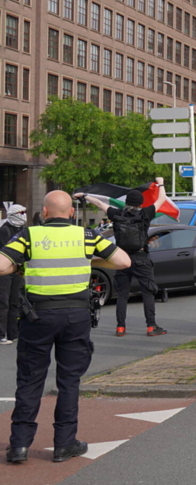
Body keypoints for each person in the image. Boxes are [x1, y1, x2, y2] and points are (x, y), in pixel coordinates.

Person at [2, 191, 131, 464]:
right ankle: (64, 444)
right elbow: (123, 262)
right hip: (76, 317)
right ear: (72, 213)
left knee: (30, 380)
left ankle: (19, 446)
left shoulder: (29, 235)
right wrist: (90, 261)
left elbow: (2, 265)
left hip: (37, 317)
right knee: (69, 381)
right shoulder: (86, 236)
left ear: (45, 212)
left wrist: (20, 268)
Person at [76, 180, 167, 337]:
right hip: (141, 257)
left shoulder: (116, 214)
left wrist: (85, 195)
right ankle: (151, 326)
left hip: (122, 257)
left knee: (122, 294)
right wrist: (160, 184)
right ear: (140, 203)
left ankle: (120, 327)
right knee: (148, 292)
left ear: (127, 202)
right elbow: (162, 200)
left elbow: (99, 203)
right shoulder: (146, 213)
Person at [0, 204, 27, 345]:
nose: (23, 215)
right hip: (5, 271)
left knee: (14, 302)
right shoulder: (4, 230)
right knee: (3, 303)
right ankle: (1, 333)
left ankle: (13, 333)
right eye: (21, 212)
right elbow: (8, 251)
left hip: (17, 270)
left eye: (25, 212)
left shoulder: (23, 230)